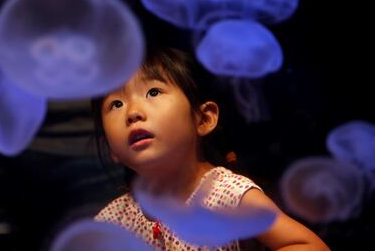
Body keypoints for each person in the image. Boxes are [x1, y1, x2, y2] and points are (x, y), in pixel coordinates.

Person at [91, 47, 329, 250]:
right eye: (116, 104)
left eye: (153, 92)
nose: (132, 113)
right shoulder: (114, 220)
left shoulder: (226, 194)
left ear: (203, 120)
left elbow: (307, 245)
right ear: (110, 148)